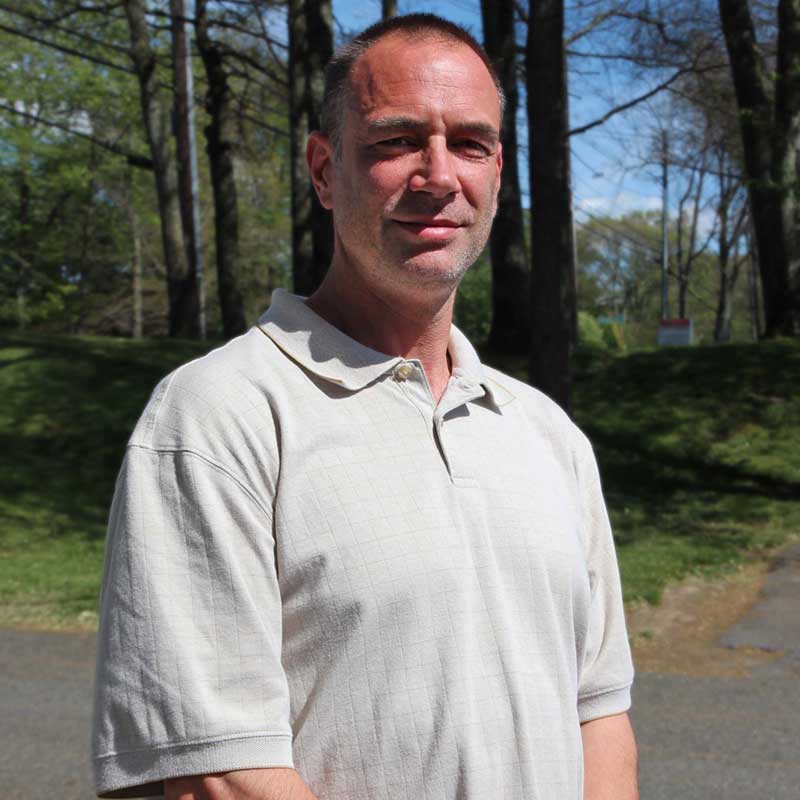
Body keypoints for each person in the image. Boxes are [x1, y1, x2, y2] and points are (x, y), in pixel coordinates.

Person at [92, 13, 637, 800]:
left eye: (471, 144)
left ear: (497, 171)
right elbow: (213, 773)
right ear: (323, 169)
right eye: (396, 141)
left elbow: (601, 714)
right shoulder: (217, 417)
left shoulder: (549, 437)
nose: (439, 175)